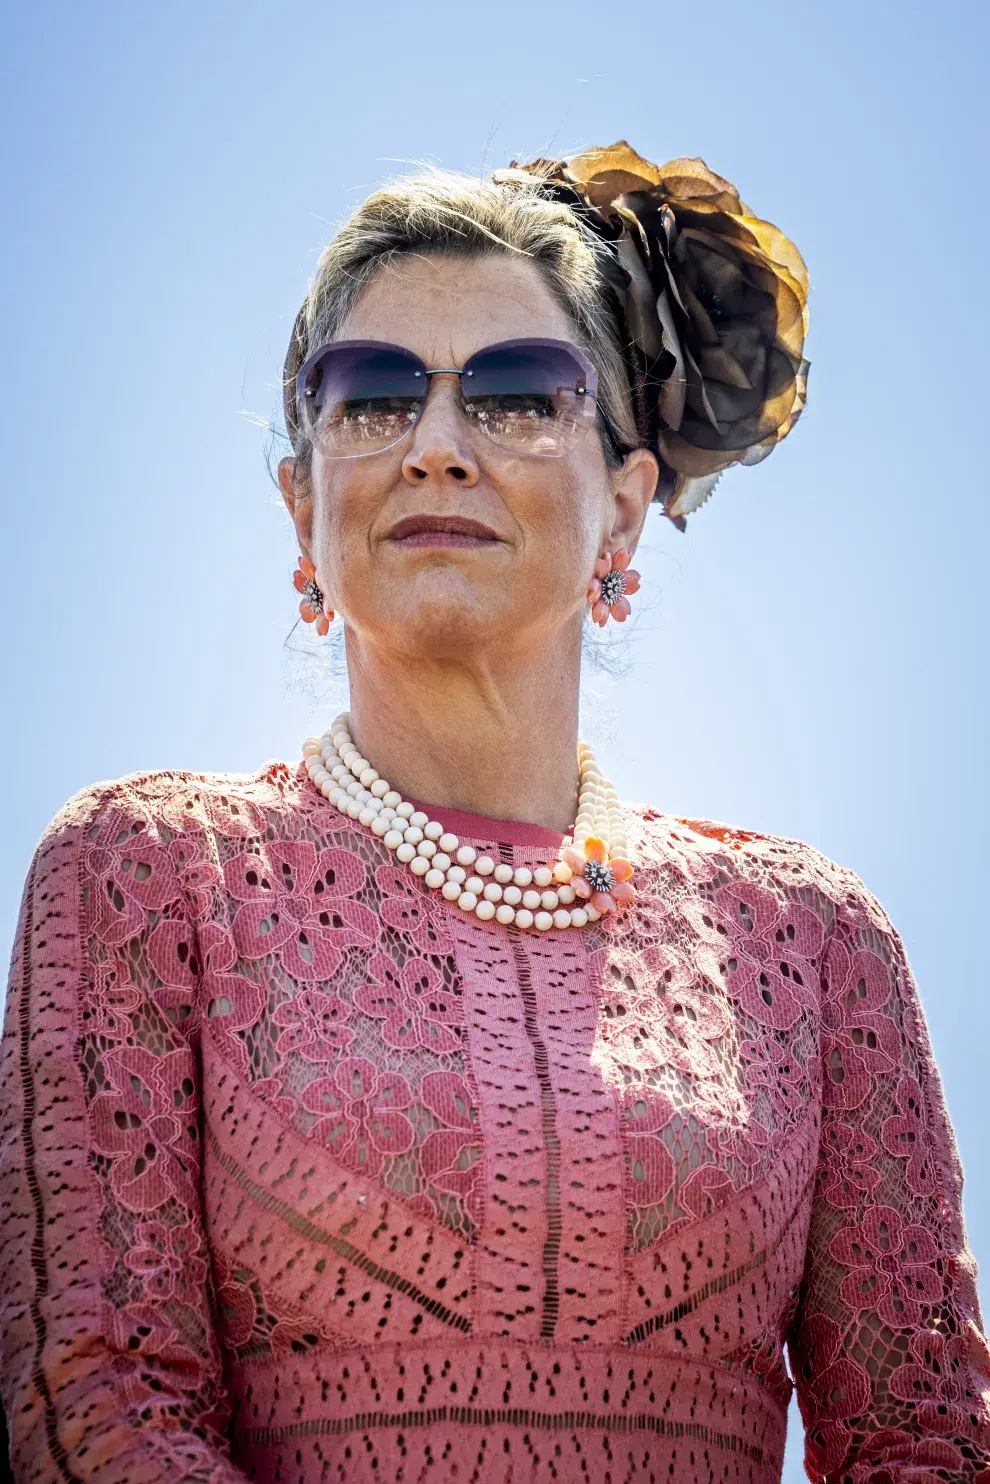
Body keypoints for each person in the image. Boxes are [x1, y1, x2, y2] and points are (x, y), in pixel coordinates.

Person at [1, 141, 987, 1484]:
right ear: (303, 504)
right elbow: (100, 1406)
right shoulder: (148, 875)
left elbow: (924, 1438)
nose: (438, 448)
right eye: (373, 395)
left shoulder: (810, 943)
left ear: (624, 515)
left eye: (520, 395)